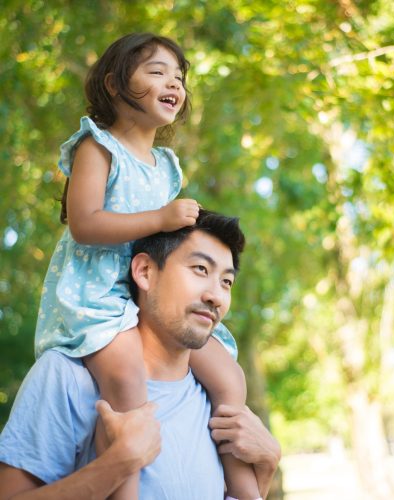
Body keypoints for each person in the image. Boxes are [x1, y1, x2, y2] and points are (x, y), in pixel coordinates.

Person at [32, 33, 259, 499]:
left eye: (179, 76)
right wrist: (159, 217)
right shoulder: (97, 147)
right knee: (128, 378)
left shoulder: (165, 165)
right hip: (98, 295)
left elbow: (166, 249)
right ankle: (126, 491)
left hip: (148, 296)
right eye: (156, 71)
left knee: (230, 377)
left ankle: (245, 490)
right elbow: (84, 223)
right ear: (115, 85)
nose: (173, 82)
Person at [0, 210, 281, 499]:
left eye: (226, 282)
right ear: (145, 272)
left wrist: (267, 467)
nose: (216, 296)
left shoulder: (215, 398)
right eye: (200, 269)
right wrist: (115, 465)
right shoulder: (66, 377)